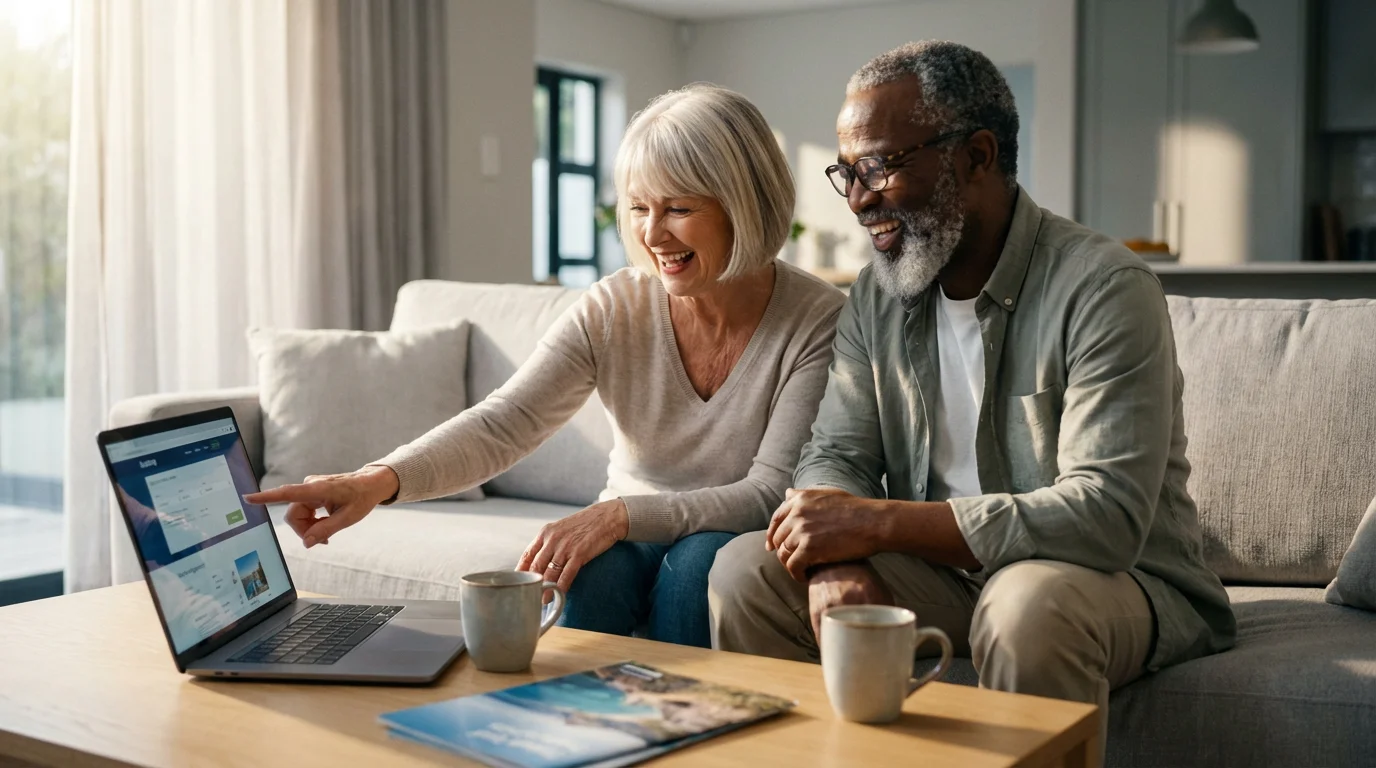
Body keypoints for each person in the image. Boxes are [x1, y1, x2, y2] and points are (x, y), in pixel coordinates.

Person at [707, 41, 1236, 714]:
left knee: (1027, 606)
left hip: (1115, 581)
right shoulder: (876, 297)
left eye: (880, 168)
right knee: (746, 571)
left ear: (977, 155)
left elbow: (1106, 516)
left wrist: (879, 525)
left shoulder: (1102, 286)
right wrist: (832, 557)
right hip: (951, 580)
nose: (860, 201)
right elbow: (837, 455)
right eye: (848, 175)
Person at [246, 84, 846, 649]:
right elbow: (506, 422)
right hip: (629, 532)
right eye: (638, 208)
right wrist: (375, 482)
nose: (653, 233)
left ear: (743, 204)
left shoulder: (817, 320)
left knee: (698, 566)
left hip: (735, 537)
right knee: (586, 571)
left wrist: (617, 514)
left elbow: (770, 493)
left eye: (679, 208)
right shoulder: (616, 306)